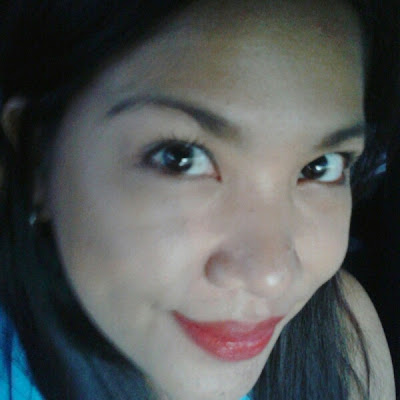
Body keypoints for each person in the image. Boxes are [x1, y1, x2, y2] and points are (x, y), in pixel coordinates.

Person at [0, 0, 397, 399]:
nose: (271, 276)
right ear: (38, 160)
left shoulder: (345, 336)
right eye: (180, 159)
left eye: (321, 167)